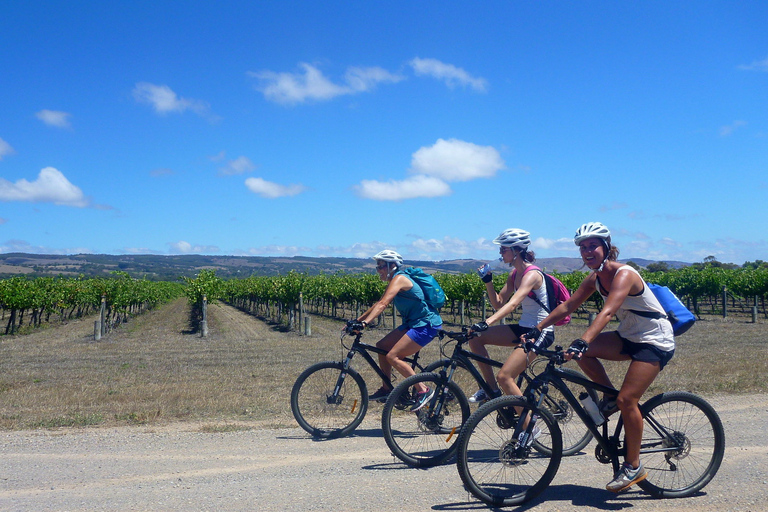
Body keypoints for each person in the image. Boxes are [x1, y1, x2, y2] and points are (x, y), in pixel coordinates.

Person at [526, 222, 675, 493]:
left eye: (592, 245)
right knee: (584, 354)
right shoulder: (595, 278)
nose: (587, 251)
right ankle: (608, 398)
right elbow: (568, 305)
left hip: (654, 341)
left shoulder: (625, 274)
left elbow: (607, 312)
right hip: (629, 336)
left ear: (606, 247)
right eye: (583, 248)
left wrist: (585, 340)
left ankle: (633, 466)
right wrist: (537, 328)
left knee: (627, 399)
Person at [346, 249, 443, 411]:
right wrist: (358, 320)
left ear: (392, 266)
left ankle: (424, 390)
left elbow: (383, 305)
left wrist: (364, 325)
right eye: (377, 267)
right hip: (413, 323)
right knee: (382, 346)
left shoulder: (400, 279)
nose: (378, 270)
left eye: (380, 266)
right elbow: (379, 303)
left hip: (426, 324)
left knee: (393, 356)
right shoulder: (395, 280)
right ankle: (387, 389)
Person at [467, 228, 555, 404]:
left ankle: (529, 426)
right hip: (523, 327)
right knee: (474, 337)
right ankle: (490, 390)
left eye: (503, 249)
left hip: (540, 330)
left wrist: (487, 322)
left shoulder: (532, 275)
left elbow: (513, 304)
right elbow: (499, 303)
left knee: (505, 377)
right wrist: (488, 282)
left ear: (516, 250)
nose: (500, 253)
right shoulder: (514, 274)